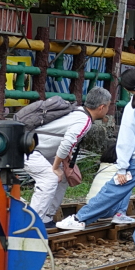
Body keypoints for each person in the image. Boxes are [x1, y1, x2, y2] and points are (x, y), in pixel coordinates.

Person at [57, 70, 135, 255]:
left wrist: (122, 167)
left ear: (125, 89)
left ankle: (80, 219)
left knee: (114, 189)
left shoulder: (132, 107)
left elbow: (125, 139)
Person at [25, 87, 112, 228]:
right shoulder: (84, 120)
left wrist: (61, 165)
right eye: (108, 106)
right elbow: (67, 143)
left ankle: (47, 217)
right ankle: (33, 222)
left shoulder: (78, 112)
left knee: (63, 176)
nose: (108, 109)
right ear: (102, 107)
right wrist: (55, 168)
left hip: (39, 150)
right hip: (27, 149)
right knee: (50, 178)